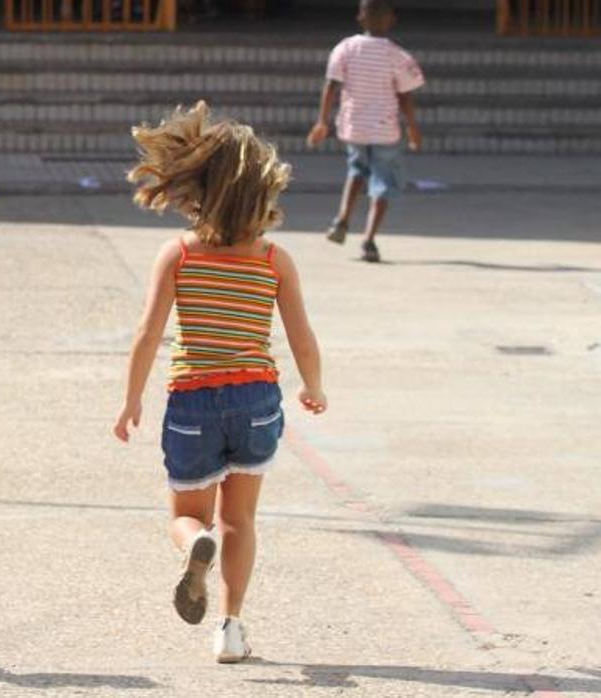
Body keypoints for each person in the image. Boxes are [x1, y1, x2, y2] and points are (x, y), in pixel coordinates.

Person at [115, 102, 327, 663]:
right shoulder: (274, 259)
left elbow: (147, 332)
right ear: (263, 191)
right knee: (241, 519)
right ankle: (231, 629)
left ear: (195, 189)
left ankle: (193, 546)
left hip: (192, 400)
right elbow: (302, 335)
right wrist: (313, 386)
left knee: (188, 515)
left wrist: (132, 399)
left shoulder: (179, 253)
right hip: (256, 398)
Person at [307, 0, 425, 263]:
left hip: (354, 127)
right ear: (392, 19)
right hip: (385, 131)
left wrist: (322, 121)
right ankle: (369, 240)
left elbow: (331, 86)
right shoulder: (397, 55)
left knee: (356, 171)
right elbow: (405, 97)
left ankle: (341, 220)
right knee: (382, 185)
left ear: (360, 17)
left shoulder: (345, 48)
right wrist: (414, 130)